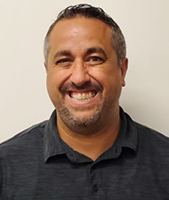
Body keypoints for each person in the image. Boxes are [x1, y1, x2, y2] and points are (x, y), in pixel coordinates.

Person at [0, 4, 169, 200]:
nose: (79, 78)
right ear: (48, 72)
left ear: (122, 70)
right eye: (64, 60)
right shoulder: (5, 166)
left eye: (94, 58)